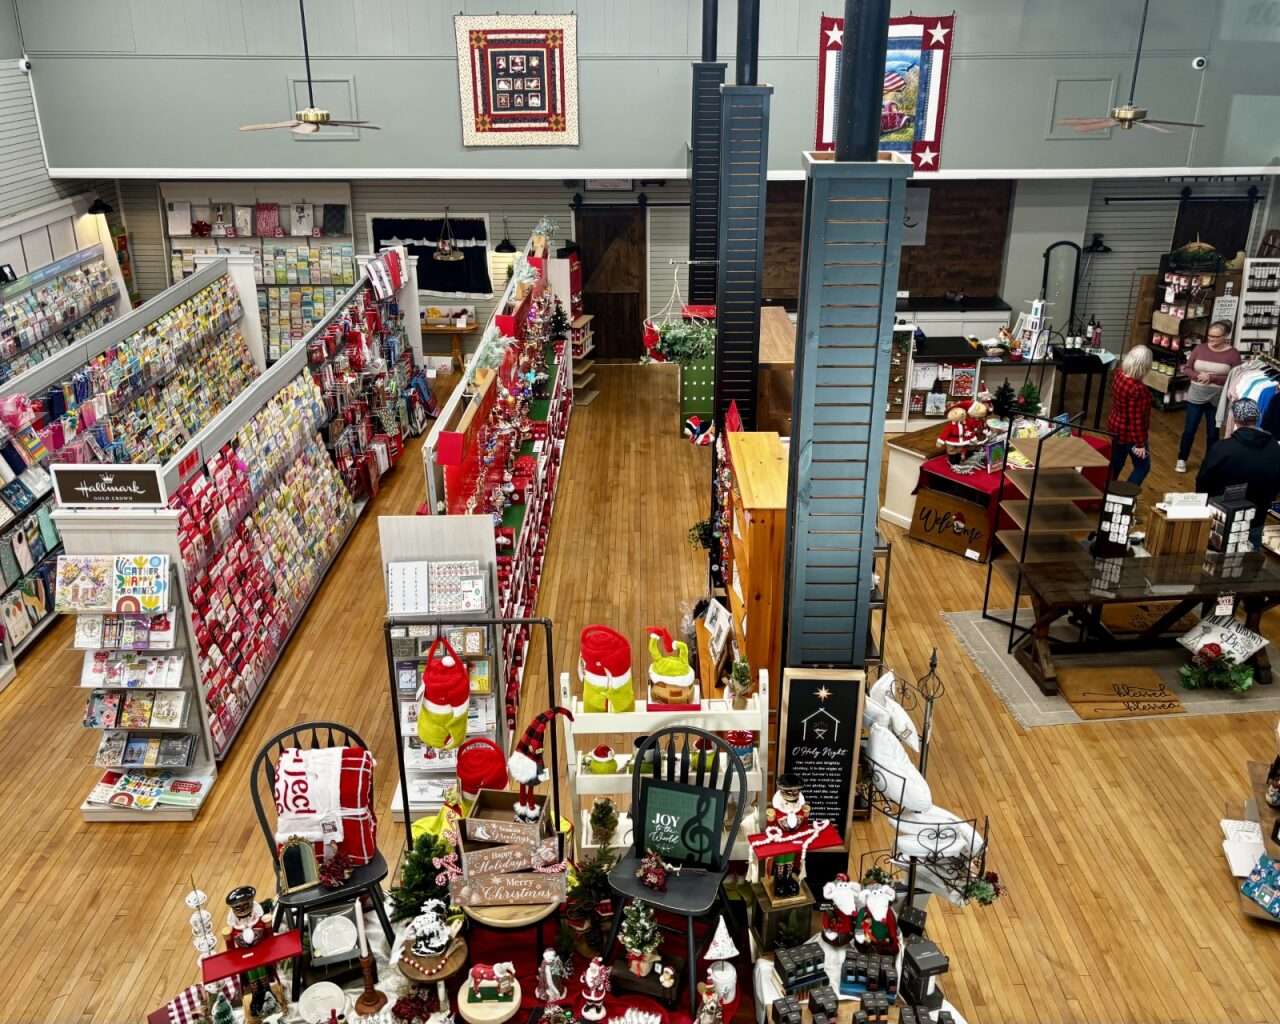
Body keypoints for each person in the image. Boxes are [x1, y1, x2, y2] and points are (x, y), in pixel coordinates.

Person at [1196, 398, 1280, 550]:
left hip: (1220, 519)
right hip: (1256, 518)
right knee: (1249, 566)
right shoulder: (1275, 449)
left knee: (1212, 563)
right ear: (1258, 417)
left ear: (1235, 418)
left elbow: (1203, 481)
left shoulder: (1222, 449)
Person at [1176, 320, 1241, 473]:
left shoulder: (1233, 354)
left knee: (1213, 433)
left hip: (1217, 399)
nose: (1211, 339)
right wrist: (1198, 376)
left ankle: (1210, 463)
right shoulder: (1199, 349)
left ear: (1225, 336)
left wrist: (1212, 379)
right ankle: (1182, 459)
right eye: (1210, 336)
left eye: (1216, 337)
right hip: (1196, 396)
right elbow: (1186, 368)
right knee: (1189, 430)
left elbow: (1236, 378)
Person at [1107, 345, 1153, 485]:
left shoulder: (1119, 374)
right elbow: (1136, 420)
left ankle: (1106, 491)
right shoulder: (1138, 390)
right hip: (1130, 435)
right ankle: (1124, 497)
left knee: (1116, 463)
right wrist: (1140, 444)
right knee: (1142, 466)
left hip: (1115, 426)